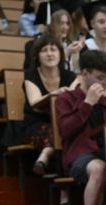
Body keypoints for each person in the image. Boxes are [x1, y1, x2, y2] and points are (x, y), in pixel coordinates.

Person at [56, 48, 106, 205]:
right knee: (98, 168)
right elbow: (65, 131)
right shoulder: (66, 98)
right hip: (79, 156)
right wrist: (87, 103)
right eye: (100, 78)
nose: (105, 83)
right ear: (84, 73)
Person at [23, 34, 77, 176]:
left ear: (60, 54)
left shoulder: (70, 76)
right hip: (36, 124)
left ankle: (46, 156)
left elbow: (74, 100)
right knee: (56, 132)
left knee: (68, 130)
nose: (49, 54)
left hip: (63, 122)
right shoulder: (31, 75)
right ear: (37, 56)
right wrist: (56, 93)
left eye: (53, 50)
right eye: (44, 50)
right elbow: (35, 102)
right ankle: (48, 157)